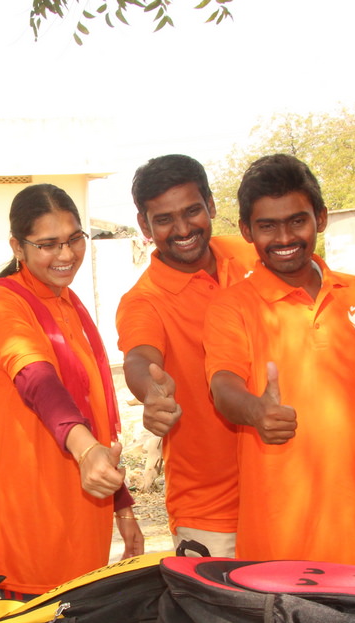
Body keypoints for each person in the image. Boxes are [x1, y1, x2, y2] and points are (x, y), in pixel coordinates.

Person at [204, 154, 355, 568]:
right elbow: (223, 386)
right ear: (246, 230)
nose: (284, 237)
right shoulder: (231, 308)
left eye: (297, 221)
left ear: (321, 217)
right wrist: (255, 410)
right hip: (279, 552)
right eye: (267, 226)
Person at [0, 183, 143, 597]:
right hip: (32, 524)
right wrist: (84, 449)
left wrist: (123, 505)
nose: (65, 255)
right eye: (48, 244)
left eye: (73, 239)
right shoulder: (1, 305)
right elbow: (37, 381)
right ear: (17, 247)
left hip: (84, 520)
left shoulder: (67, 303)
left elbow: (92, 410)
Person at [115, 154, 256, 557]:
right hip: (210, 515)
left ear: (211, 205)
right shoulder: (144, 301)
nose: (182, 230)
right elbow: (140, 357)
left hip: (286, 492)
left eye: (192, 211)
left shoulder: (250, 255)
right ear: (144, 225)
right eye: (163, 219)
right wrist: (151, 393)